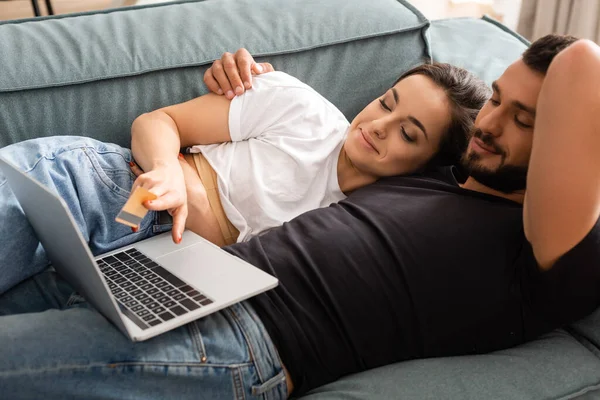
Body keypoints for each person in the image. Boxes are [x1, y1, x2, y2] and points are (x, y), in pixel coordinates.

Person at [1, 34, 599, 400]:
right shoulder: (436, 179)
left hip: (249, 342)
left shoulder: (547, 250)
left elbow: (585, 67)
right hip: (180, 276)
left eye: (526, 120)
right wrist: (235, 76)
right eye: (497, 100)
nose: (493, 125)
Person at [128, 63, 488, 246]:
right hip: (129, 193)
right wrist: (165, 170)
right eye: (385, 103)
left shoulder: (364, 225)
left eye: (407, 134)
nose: (380, 124)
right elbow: (158, 121)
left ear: (427, 166)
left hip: (167, 259)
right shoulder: (301, 108)